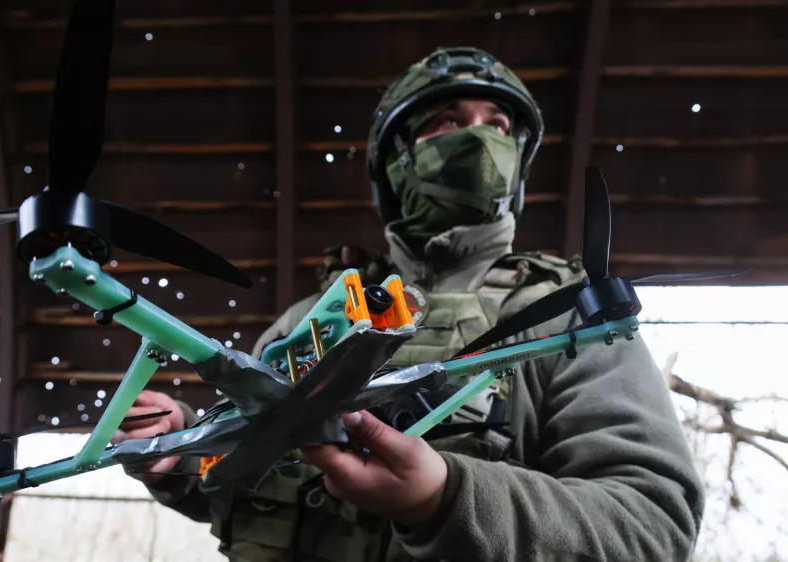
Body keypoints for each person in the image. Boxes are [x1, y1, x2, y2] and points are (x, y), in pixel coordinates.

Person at [113, 47, 705, 561]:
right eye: (447, 121)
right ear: (395, 164)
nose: (480, 139)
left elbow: (653, 525)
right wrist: (179, 448)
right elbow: (247, 484)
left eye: (498, 125)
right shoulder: (309, 321)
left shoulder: (565, 317)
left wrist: (446, 497)